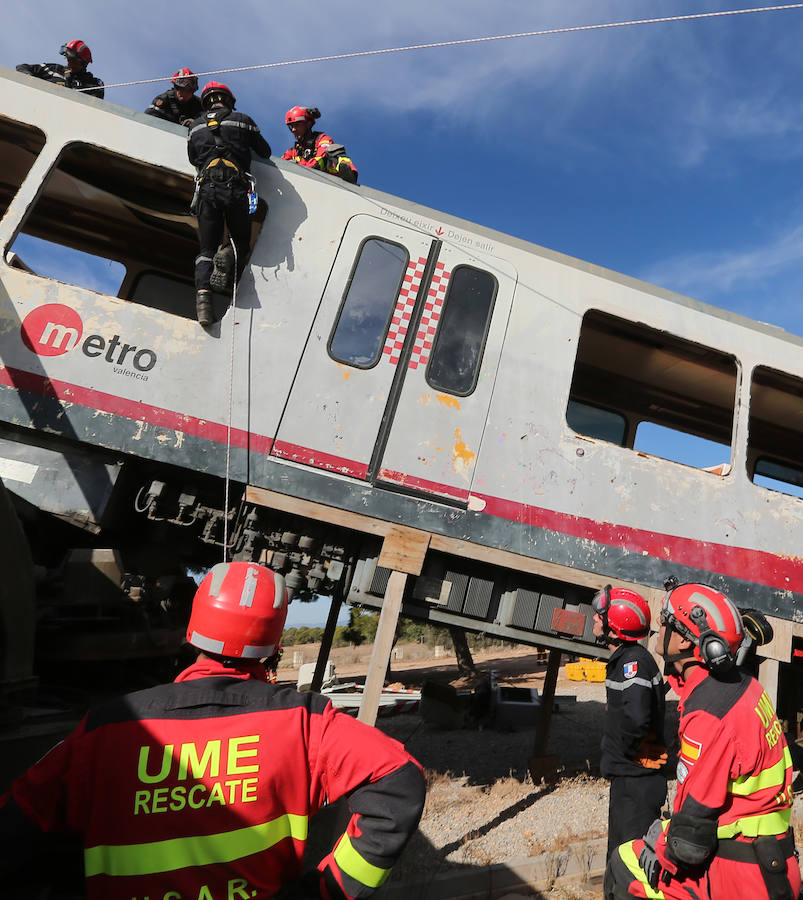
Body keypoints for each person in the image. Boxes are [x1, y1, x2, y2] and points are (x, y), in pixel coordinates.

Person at [0, 561, 426, 899]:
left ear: (192, 631)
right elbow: (400, 778)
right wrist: (329, 889)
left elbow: (19, 823)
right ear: (276, 646)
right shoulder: (306, 723)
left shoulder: (106, 729)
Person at [605, 581, 801, 900]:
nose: (658, 622)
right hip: (769, 862)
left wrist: (662, 854)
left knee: (624, 868)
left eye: (665, 619)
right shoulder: (744, 688)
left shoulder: (710, 713)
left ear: (683, 639)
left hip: (740, 877)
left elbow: (691, 837)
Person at [592, 585, 668, 861]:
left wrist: (621, 754)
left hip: (636, 782)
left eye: (601, 616)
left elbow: (636, 721)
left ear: (617, 626)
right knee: (622, 860)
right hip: (632, 780)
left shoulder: (632, 664)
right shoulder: (629, 660)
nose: (595, 618)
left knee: (629, 864)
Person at [187, 81, 271, 326]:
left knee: (205, 251)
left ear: (205, 102)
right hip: (236, 189)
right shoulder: (243, 120)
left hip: (206, 189)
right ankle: (228, 252)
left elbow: (193, 158)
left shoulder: (195, 126)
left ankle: (203, 303)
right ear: (230, 100)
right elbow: (264, 151)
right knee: (241, 241)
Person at [282, 106, 358, 183]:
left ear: (308, 124)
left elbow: (321, 158)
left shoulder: (322, 139)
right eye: (291, 126)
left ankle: (349, 176)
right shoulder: (292, 151)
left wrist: (302, 169)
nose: (293, 129)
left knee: (334, 150)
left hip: (330, 180)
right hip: (302, 182)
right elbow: (280, 164)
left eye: (297, 125)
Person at [16, 39, 104, 99]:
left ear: (84, 64)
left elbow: (96, 103)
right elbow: (22, 67)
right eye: (67, 58)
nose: (68, 62)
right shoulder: (54, 69)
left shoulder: (94, 83)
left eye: (72, 60)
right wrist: (29, 78)